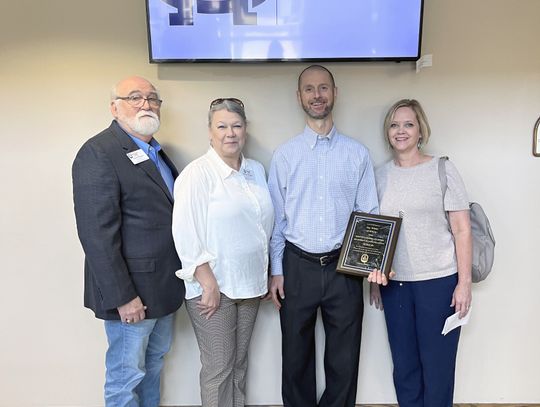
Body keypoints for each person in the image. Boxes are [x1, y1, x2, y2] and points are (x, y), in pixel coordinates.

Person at [267, 65, 382, 407]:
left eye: (323, 88)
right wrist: (276, 269)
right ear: (299, 96)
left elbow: (369, 216)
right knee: (295, 357)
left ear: (335, 93)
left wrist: (371, 269)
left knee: (344, 359)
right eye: (309, 89)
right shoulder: (285, 155)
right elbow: (276, 217)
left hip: (344, 268)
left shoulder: (357, 154)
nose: (317, 95)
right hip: (296, 264)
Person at [72, 76, 185, 407]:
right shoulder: (98, 152)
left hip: (162, 289)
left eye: (152, 98)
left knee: (152, 369)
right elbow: (96, 235)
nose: (146, 104)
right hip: (131, 296)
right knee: (125, 378)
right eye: (134, 97)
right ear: (114, 107)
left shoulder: (156, 151)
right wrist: (123, 297)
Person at [172, 98, 274, 407]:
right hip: (215, 287)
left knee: (239, 365)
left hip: (251, 285)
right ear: (210, 132)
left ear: (245, 130)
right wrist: (208, 284)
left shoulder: (255, 170)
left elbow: (260, 226)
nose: (230, 133)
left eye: (236, 126)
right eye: (222, 126)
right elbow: (185, 233)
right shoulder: (197, 174)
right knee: (219, 368)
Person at [370, 99, 472, 407]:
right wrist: (373, 276)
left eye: (408, 124)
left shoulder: (442, 169)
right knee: (404, 368)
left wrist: (463, 283)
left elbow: (462, 229)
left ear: (420, 130)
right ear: (387, 132)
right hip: (395, 285)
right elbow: (373, 230)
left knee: (438, 368)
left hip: (439, 283)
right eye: (394, 125)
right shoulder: (378, 175)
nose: (401, 131)